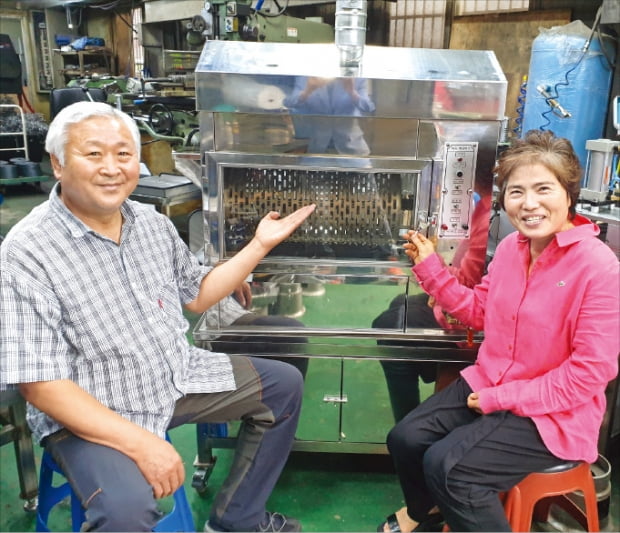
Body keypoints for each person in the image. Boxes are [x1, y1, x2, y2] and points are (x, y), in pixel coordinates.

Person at [0, 101, 316, 532]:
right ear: (58, 163)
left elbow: (198, 296)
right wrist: (141, 444)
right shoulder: (27, 250)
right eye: (93, 154)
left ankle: (236, 520)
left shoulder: (150, 223)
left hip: (172, 376)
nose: (111, 168)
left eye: (123, 154)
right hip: (91, 408)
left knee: (283, 386)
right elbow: (40, 384)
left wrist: (259, 245)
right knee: (126, 510)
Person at [377, 130, 619, 532]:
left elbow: (589, 374)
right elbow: (479, 312)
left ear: (568, 193)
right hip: (491, 383)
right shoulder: (511, 249)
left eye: (543, 189)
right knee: (406, 438)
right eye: (516, 192)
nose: (529, 204)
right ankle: (430, 517)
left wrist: (499, 398)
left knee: (450, 469)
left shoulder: (599, 268)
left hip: (554, 412)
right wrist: (430, 266)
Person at [373, 190, 493, 422]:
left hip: (469, 323)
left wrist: (433, 268)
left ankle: (407, 419)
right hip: (464, 303)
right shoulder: (484, 209)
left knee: (390, 327)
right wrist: (430, 265)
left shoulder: (487, 214)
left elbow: (469, 287)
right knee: (400, 303)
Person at [284, 76, 375, 155]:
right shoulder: (306, 77)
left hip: (352, 147)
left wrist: (352, 92)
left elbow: (368, 107)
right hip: (318, 148)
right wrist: (308, 91)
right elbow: (289, 103)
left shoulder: (357, 77)